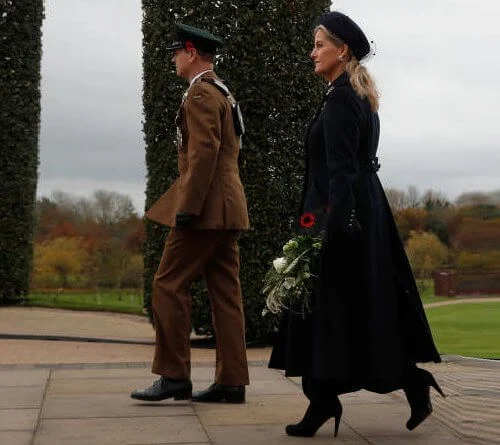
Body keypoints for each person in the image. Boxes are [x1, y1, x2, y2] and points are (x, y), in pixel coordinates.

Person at [268, 11, 444, 437]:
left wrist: (327, 231)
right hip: (356, 214)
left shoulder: (344, 98)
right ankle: (362, 391)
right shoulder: (347, 95)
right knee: (353, 310)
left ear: (342, 49)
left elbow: (343, 172)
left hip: (341, 217)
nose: (312, 53)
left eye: (319, 45)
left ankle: (331, 398)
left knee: (330, 309)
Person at [131, 23, 249, 404]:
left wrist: (189, 207)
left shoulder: (200, 93)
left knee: (167, 285)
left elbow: (203, 155)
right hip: (229, 208)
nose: (173, 59)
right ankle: (231, 382)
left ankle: (173, 375)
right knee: (226, 294)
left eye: (176, 53)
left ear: (191, 52)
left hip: (205, 210)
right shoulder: (223, 92)